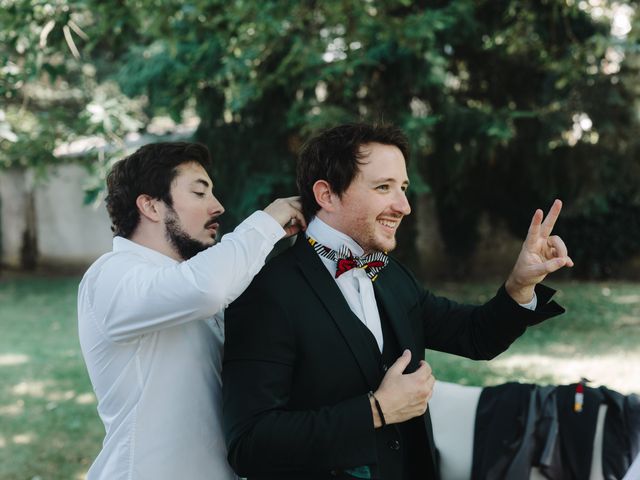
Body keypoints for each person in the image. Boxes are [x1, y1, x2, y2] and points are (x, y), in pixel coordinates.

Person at [222, 123, 572, 480]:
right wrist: (377, 410)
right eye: (383, 187)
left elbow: (474, 335)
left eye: (402, 188)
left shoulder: (391, 274)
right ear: (326, 195)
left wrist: (520, 284)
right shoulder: (267, 294)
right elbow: (250, 444)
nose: (404, 206)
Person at [77, 141, 305, 480]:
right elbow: (207, 289)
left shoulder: (190, 279)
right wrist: (268, 222)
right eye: (200, 193)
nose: (218, 207)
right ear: (151, 207)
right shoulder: (110, 275)